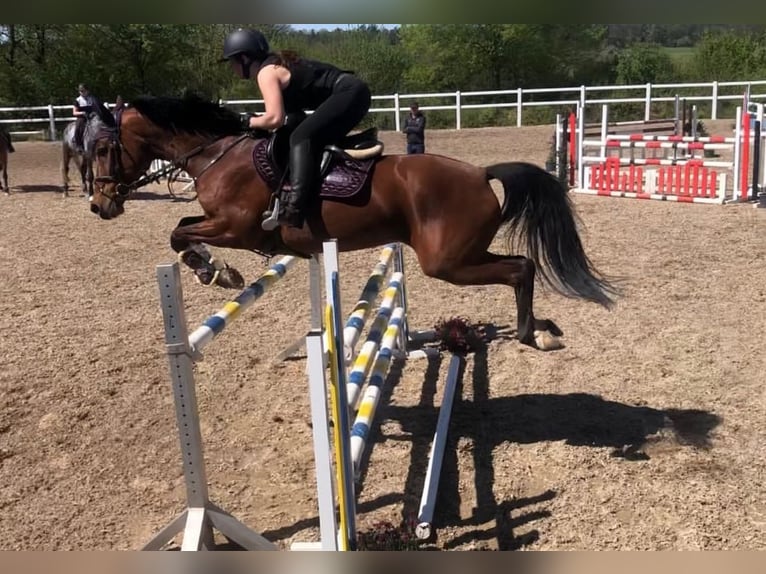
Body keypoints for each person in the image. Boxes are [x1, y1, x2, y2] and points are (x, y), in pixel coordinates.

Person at [221, 28, 372, 228]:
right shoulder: (274, 66)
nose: (232, 68)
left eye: (233, 62)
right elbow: (292, 118)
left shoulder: (266, 73)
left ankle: (294, 208)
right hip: (354, 92)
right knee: (300, 133)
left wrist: (246, 121)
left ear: (245, 59)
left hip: (350, 92)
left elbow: (274, 118)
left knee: (300, 138)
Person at [73, 83, 98, 153]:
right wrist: (82, 113)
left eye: (83, 91)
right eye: (80, 91)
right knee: (78, 127)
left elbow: (95, 108)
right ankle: (78, 145)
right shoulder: (77, 100)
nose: (82, 93)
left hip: (92, 117)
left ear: (87, 91)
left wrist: (95, 112)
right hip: (82, 118)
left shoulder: (92, 99)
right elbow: (74, 112)